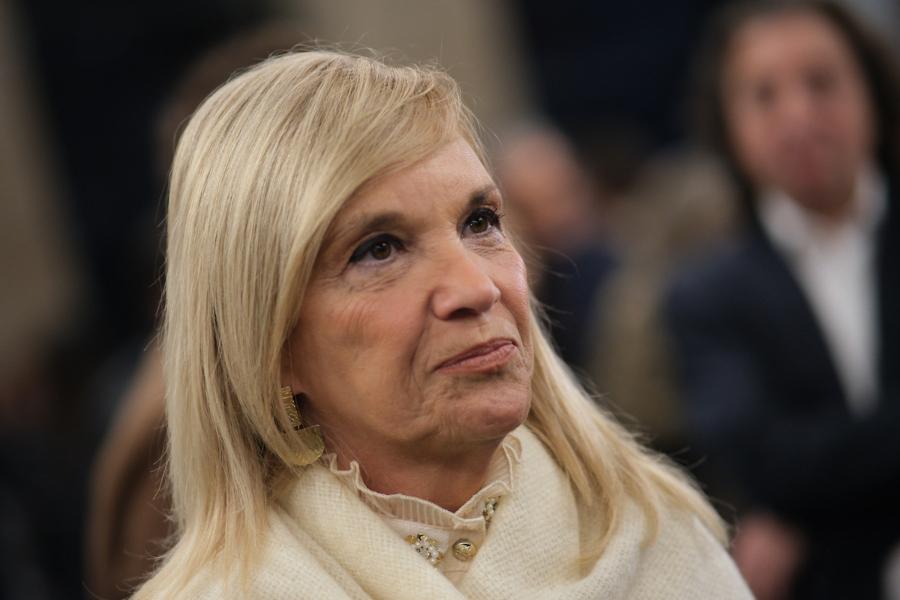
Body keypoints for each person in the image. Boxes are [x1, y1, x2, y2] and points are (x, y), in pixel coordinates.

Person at [133, 50, 750, 599]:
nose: (477, 288)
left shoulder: (655, 535)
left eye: (479, 222)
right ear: (269, 349)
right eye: (378, 249)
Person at [666, 2, 900, 598]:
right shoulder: (704, 298)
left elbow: (793, 477)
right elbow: (762, 461)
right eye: (764, 94)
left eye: (822, 82)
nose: (798, 114)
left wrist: (803, 508)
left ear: (870, 89)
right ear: (729, 122)